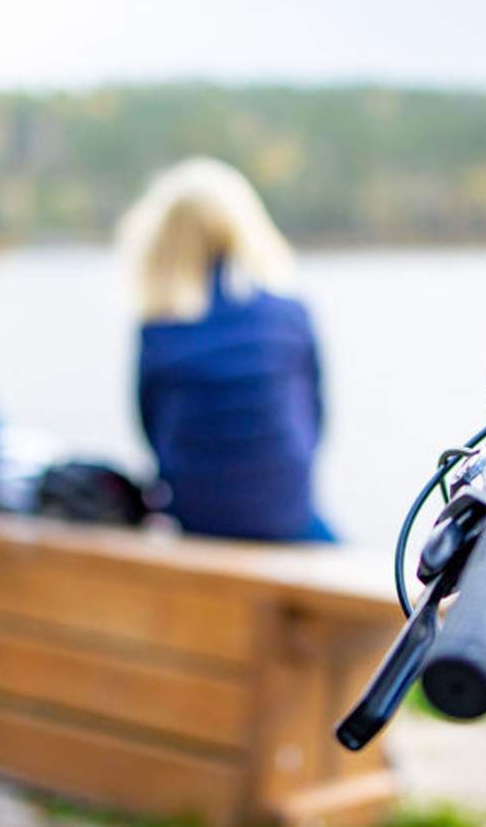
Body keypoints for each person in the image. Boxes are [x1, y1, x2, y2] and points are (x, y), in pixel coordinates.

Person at [118, 157, 336, 542]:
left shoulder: (159, 326)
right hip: (284, 513)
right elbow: (315, 421)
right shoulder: (289, 313)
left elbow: (151, 430)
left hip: (198, 518)